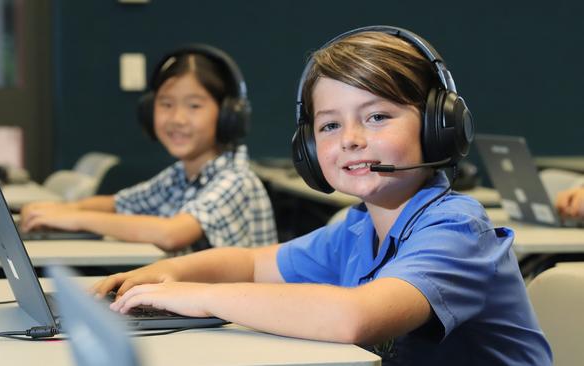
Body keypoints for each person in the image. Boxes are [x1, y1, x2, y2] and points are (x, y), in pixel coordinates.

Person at [93, 27, 552, 365]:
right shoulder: (356, 229)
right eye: (330, 125)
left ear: (438, 128)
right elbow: (251, 264)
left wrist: (202, 296)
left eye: (377, 117)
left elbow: (356, 318)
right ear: (309, 147)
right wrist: (160, 273)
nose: (350, 138)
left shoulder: (457, 228)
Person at [19, 45, 277, 254]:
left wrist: (76, 220)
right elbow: (119, 204)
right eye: (166, 104)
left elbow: (171, 234)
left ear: (228, 115)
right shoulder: (180, 175)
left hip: (237, 317)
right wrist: (60, 210)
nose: (177, 118)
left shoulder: (236, 180)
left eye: (194, 106)